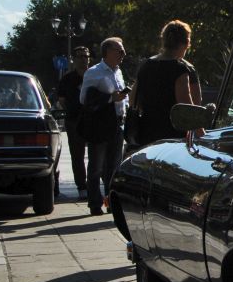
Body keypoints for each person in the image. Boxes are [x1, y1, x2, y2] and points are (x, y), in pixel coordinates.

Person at [132, 20, 202, 148]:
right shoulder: (180, 69)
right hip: (171, 139)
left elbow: (133, 100)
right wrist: (202, 135)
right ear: (186, 43)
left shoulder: (145, 65)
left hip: (146, 134)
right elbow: (186, 109)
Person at [81, 37, 129, 216]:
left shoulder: (118, 71)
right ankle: (94, 204)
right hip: (100, 126)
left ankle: (111, 203)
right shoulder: (94, 72)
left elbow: (121, 98)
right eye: (119, 50)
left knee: (114, 167)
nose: (123, 54)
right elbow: (85, 100)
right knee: (96, 167)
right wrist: (110, 98)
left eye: (123, 51)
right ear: (107, 51)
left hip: (118, 123)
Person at [56, 46, 91, 198]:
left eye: (86, 56)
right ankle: (82, 187)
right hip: (74, 120)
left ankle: (95, 184)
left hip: (94, 120)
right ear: (74, 59)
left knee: (97, 155)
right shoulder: (67, 79)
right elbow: (62, 99)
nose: (83, 59)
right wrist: (72, 109)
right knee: (77, 155)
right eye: (80, 56)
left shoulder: (94, 76)